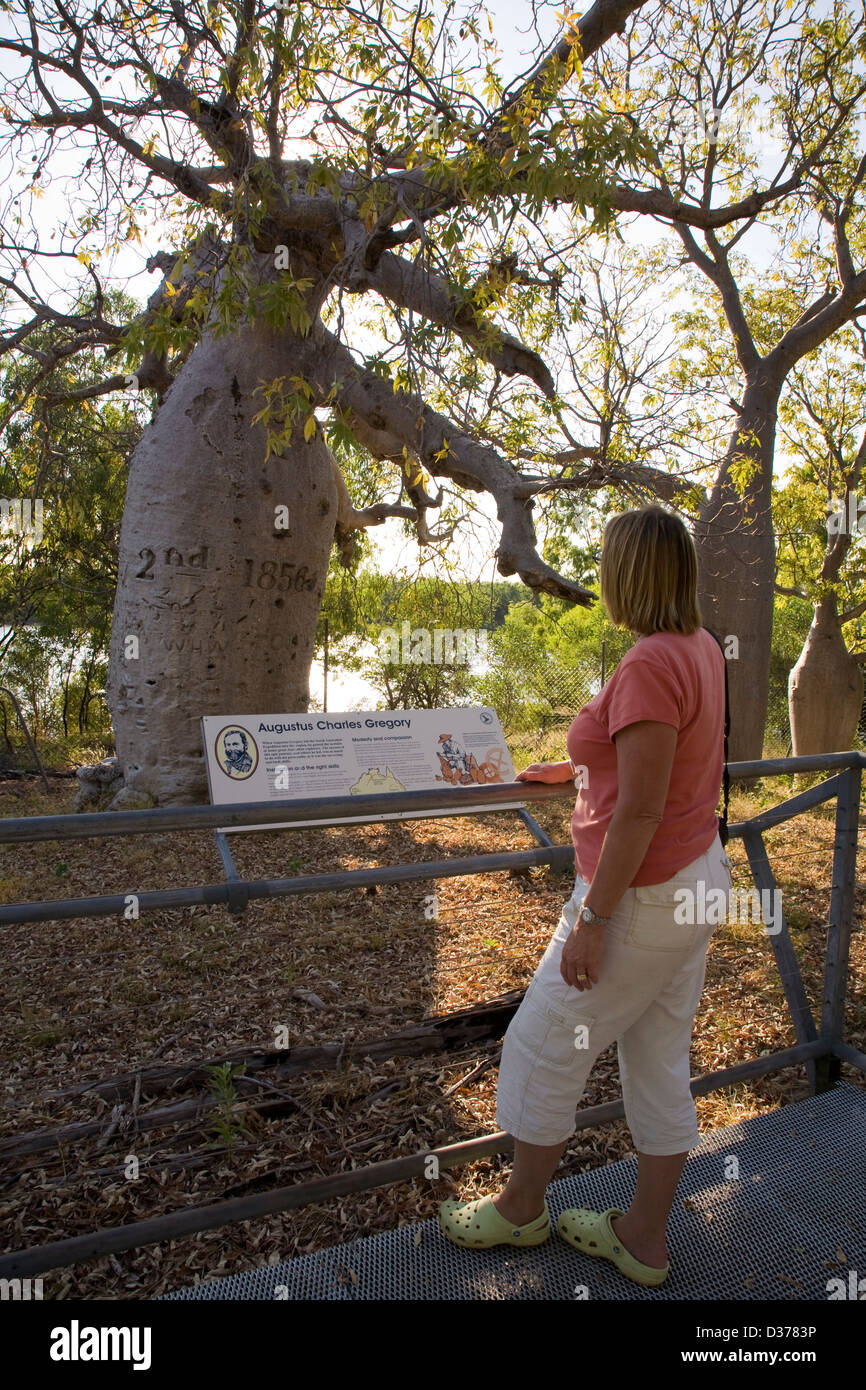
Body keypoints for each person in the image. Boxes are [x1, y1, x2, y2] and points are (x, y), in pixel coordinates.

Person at [438, 505, 733, 1287]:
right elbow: (655, 771)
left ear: (627, 572)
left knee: (542, 1045)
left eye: (607, 561)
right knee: (659, 1057)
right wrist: (577, 769)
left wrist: (593, 921)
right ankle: (642, 1236)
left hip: (641, 896)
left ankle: (520, 1209)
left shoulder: (647, 664)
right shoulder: (698, 648)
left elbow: (641, 809)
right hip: (696, 878)